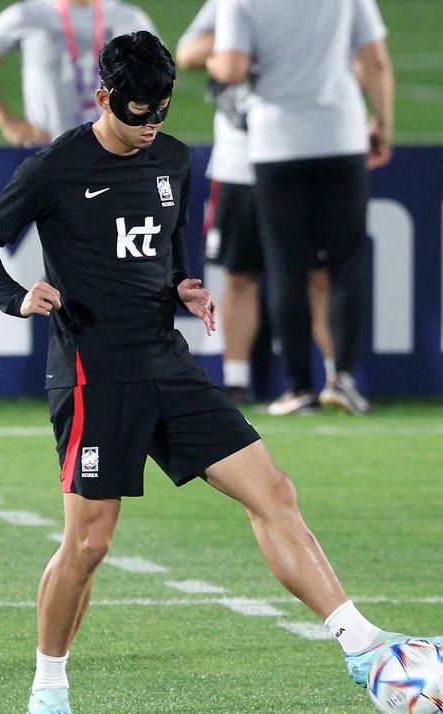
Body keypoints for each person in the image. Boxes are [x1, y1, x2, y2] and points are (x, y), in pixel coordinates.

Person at [0, 31, 443, 714]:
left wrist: (183, 288)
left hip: (167, 362)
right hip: (94, 376)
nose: (150, 124)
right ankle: (49, 680)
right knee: (90, 543)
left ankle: (361, 642)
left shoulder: (175, 160)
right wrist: (16, 295)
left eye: (160, 109)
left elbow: (167, 246)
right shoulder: (54, 168)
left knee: (274, 490)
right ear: (103, 99)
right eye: (137, 112)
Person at [207, 0, 394, 415]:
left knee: (286, 265)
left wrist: (216, 65)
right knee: (345, 262)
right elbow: (376, 59)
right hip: (341, 134)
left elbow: (233, 68)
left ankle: (298, 388)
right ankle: (342, 376)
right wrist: (382, 122)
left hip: (277, 141)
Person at [174, 3, 334, 411]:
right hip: (239, 160)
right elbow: (187, 53)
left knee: (316, 274)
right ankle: (237, 382)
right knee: (241, 274)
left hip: (299, 154)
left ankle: (336, 379)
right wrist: (240, 41)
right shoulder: (230, 5)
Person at [0, 0, 158, 147]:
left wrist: (139, 124)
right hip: (46, 150)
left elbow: (162, 78)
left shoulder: (129, 18)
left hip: (112, 154)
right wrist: (7, 122)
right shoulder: (28, 15)